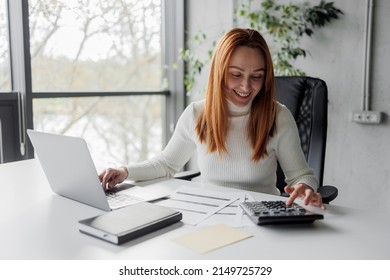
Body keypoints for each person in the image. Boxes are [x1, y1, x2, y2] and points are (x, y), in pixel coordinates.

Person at [99, 28, 326, 210]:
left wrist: (304, 187)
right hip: (207, 214)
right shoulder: (197, 114)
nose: (246, 87)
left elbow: (301, 175)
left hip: (260, 216)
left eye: (256, 77)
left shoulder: (278, 116)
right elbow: (166, 165)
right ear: (219, 72)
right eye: (236, 75)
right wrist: (125, 171)